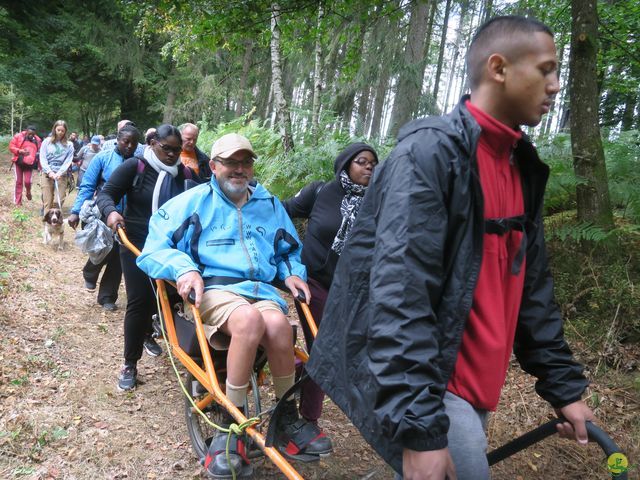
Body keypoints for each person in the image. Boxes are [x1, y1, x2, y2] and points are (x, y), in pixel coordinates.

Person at [306, 15, 595, 480]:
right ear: (498, 68)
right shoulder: (430, 155)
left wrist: (563, 387)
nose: (556, 85)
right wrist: (421, 428)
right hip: (433, 383)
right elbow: (399, 294)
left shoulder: (522, 165)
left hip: (477, 382)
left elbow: (532, 289)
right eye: (546, 70)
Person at [136, 133, 332, 478]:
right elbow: (154, 246)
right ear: (214, 166)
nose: (238, 169)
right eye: (230, 162)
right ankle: (231, 426)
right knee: (248, 321)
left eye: (245, 162)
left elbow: (287, 251)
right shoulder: (194, 201)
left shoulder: (269, 205)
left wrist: (291, 274)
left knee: (279, 327)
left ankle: (286, 417)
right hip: (217, 290)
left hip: (261, 290)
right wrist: (184, 269)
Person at [283, 142, 378, 445]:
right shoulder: (320, 192)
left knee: (331, 350)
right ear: (346, 164)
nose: (369, 168)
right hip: (313, 285)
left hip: (351, 290)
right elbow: (281, 211)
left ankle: (291, 367)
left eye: (373, 164)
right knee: (325, 348)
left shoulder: (377, 203)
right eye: (362, 162)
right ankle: (309, 419)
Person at [97, 124, 193, 391]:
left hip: (170, 246)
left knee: (172, 299)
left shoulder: (183, 175)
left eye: (178, 150)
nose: (173, 154)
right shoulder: (135, 167)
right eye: (167, 149)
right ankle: (129, 363)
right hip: (135, 241)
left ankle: (159, 334)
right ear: (153, 144)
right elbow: (106, 194)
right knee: (140, 300)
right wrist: (111, 213)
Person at [68, 125, 140, 312]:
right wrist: (75, 211)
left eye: (134, 143)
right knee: (102, 251)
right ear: (118, 139)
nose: (130, 146)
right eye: (126, 141)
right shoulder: (103, 158)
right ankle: (90, 271)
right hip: (102, 215)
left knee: (118, 257)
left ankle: (107, 296)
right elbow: (87, 186)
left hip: (127, 218)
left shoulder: (140, 164)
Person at [39, 120, 75, 213]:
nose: (60, 132)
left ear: (65, 132)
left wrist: (59, 173)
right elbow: (42, 157)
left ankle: (56, 224)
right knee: (48, 201)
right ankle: (47, 224)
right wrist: (49, 171)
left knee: (58, 201)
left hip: (61, 175)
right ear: (54, 129)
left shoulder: (69, 145)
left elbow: (68, 161)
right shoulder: (46, 142)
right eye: (58, 130)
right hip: (47, 174)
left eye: (62, 131)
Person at [9, 125, 41, 206]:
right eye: (29, 134)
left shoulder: (37, 140)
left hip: (29, 165)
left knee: (28, 182)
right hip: (18, 163)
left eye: (32, 134)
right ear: (26, 131)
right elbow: (11, 147)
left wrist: (39, 163)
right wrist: (20, 151)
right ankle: (18, 202)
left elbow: (40, 152)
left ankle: (28, 192)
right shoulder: (18, 136)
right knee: (18, 182)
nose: (31, 136)